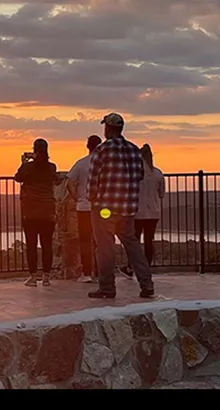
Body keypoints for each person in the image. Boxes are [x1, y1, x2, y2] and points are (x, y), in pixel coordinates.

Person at [88, 112, 154, 299]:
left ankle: (107, 287)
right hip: (127, 208)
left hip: (105, 209)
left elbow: (93, 180)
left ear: (108, 128)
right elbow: (140, 175)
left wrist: (92, 199)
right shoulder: (134, 150)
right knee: (132, 245)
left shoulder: (102, 150)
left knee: (105, 247)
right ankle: (147, 284)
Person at [15, 138, 60, 287]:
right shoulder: (52, 167)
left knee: (32, 244)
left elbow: (18, 178)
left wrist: (23, 162)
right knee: (47, 244)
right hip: (47, 210)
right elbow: (55, 179)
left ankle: (33, 277)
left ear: (34, 150)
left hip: (30, 211)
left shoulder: (28, 167)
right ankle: (46, 277)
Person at [121, 144, 165, 276]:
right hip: (153, 213)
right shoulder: (158, 173)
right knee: (149, 241)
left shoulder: (134, 173)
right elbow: (162, 193)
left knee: (134, 241)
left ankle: (130, 267)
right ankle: (147, 268)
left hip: (137, 212)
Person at [66, 135, 103, 283]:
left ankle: (87, 273)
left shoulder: (81, 164)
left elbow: (69, 183)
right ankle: (101, 272)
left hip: (84, 207)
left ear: (87, 146)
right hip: (102, 208)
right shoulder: (104, 164)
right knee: (101, 240)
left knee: (85, 240)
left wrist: (77, 198)